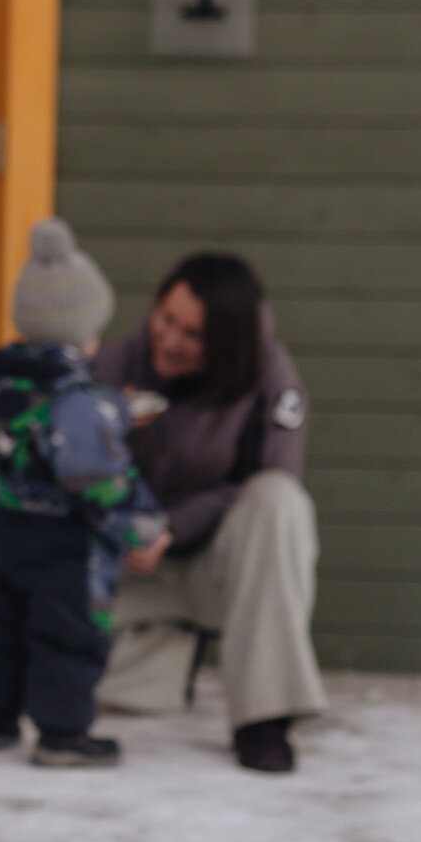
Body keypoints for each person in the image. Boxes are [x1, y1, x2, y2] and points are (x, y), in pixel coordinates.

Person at [93, 251, 326, 774]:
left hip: (222, 575)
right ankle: (167, 656)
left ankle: (264, 718)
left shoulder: (272, 378)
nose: (170, 340)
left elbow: (272, 483)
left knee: (279, 502)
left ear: (228, 344)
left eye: (193, 335)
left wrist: (170, 527)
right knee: (50, 675)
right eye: (166, 319)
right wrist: (125, 525)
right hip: (133, 573)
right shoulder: (116, 366)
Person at [0, 219, 166, 768]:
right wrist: (143, 527)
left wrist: (113, 410)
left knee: (3, 622)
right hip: (62, 539)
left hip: (2, 524)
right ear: (83, 332)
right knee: (66, 632)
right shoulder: (78, 403)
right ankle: (61, 733)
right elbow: (97, 476)